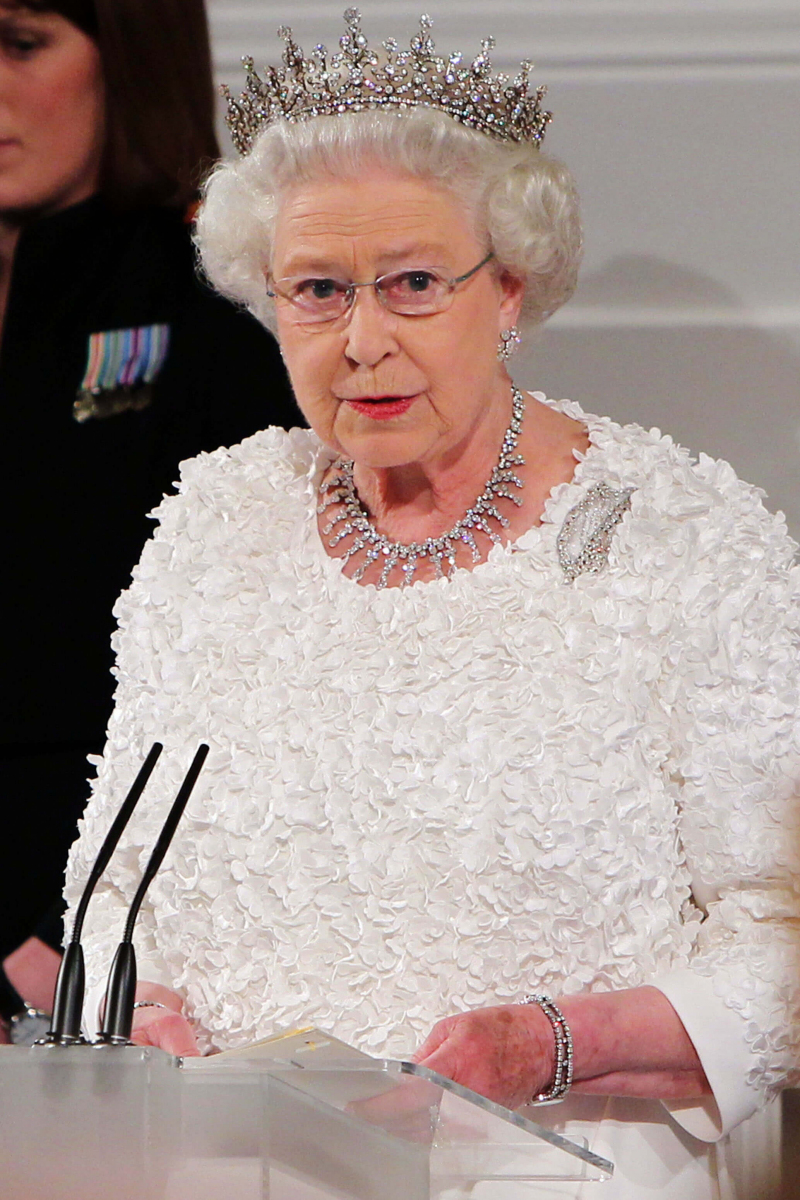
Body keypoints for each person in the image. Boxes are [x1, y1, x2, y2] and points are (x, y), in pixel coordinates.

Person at [64, 11, 799, 1197]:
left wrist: (546, 1044)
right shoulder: (214, 519)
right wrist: (133, 1013)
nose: (362, 342)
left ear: (507, 288)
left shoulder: (682, 539)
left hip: (545, 1169)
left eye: (412, 283)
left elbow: (782, 936)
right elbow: (114, 880)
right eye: (315, 289)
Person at [0, 0, 301, 1043]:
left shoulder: (231, 311)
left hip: (121, 928)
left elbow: (272, 674)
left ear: (130, 55)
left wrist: (49, 944)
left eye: (19, 41)